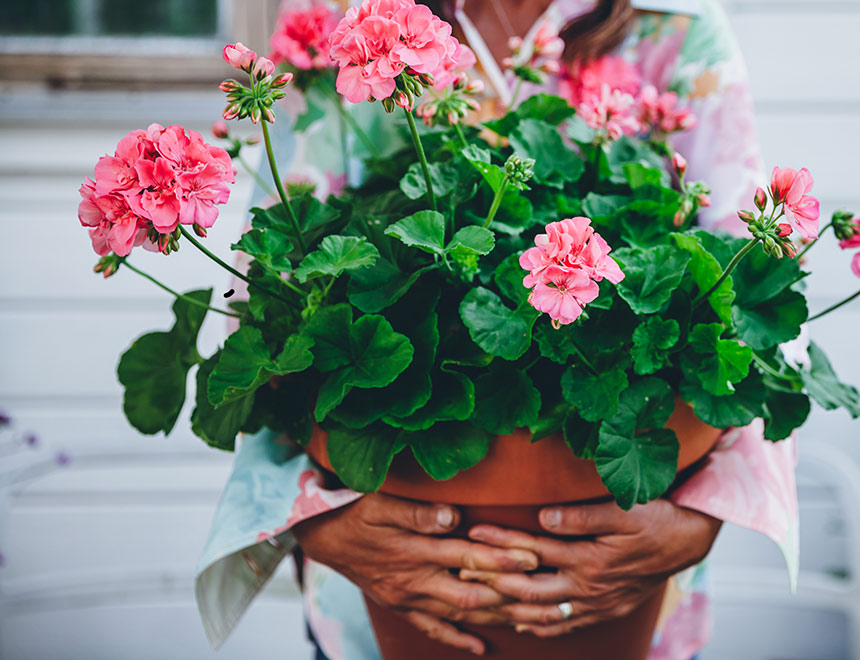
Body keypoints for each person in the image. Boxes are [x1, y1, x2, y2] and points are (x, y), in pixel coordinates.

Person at [196, 1, 801, 658]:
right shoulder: (346, 16)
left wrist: (702, 518)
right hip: (378, 609)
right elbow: (262, 298)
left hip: (622, 600)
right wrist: (314, 519)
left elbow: (752, 292)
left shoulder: (677, 24)